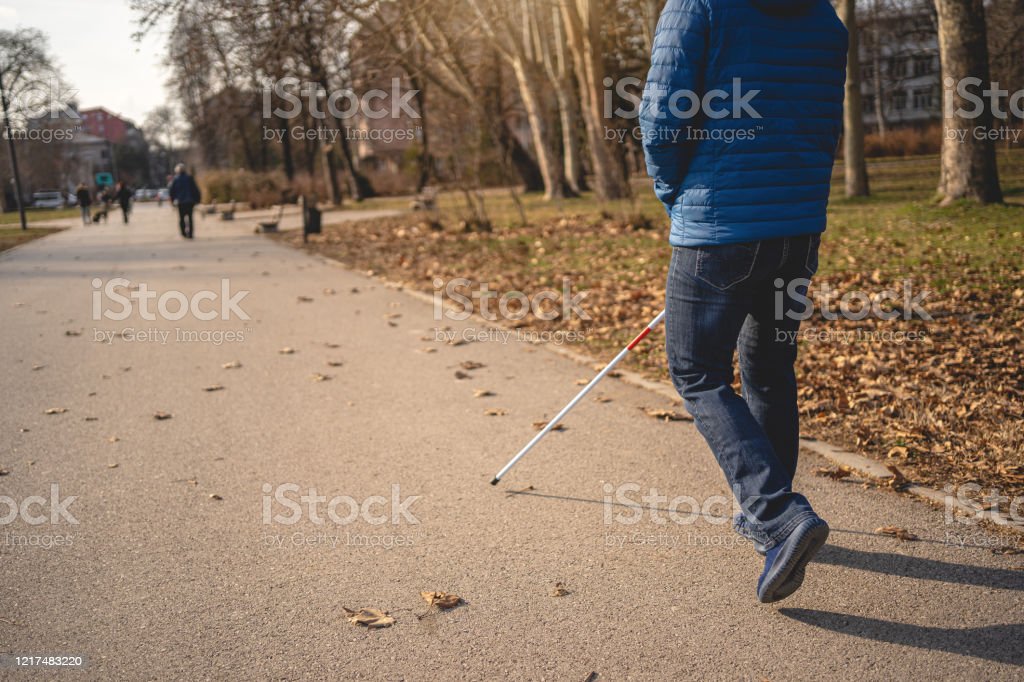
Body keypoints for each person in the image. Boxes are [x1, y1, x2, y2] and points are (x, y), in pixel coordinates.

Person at [640, 0, 847, 603]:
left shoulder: (696, 6)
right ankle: (776, 520)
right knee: (770, 371)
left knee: (696, 370)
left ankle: (777, 514)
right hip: (797, 230)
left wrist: (674, 194)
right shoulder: (824, 17)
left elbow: (661, 118)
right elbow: (820, 122)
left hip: (720, 225)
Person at [169, 164, 201, 239]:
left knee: (181, 218)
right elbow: (195, 189)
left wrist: (172, 200)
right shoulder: (189, 178)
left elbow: (172, 191)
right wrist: (197, 199)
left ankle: (183, 233)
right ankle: (190, 234)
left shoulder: (176, 179)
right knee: (190, 218)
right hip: (190, 201)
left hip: (181, 202)